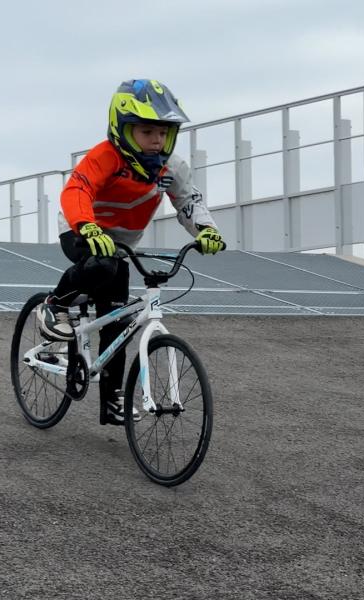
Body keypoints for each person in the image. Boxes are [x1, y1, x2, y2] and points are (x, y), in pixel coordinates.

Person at [37, 78, 225, 424]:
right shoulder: (105, 157)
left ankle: (111, 401)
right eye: (146, 132)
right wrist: (87, 225)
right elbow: (76, 191)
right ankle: (56, 305)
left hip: (123, 243)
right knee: (102, 268)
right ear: (122, 129)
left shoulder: (172, 168)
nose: (156, 141)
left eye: (164, 133)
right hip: (82, 227)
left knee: (118, 317)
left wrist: (207, 230)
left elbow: (188, 201)